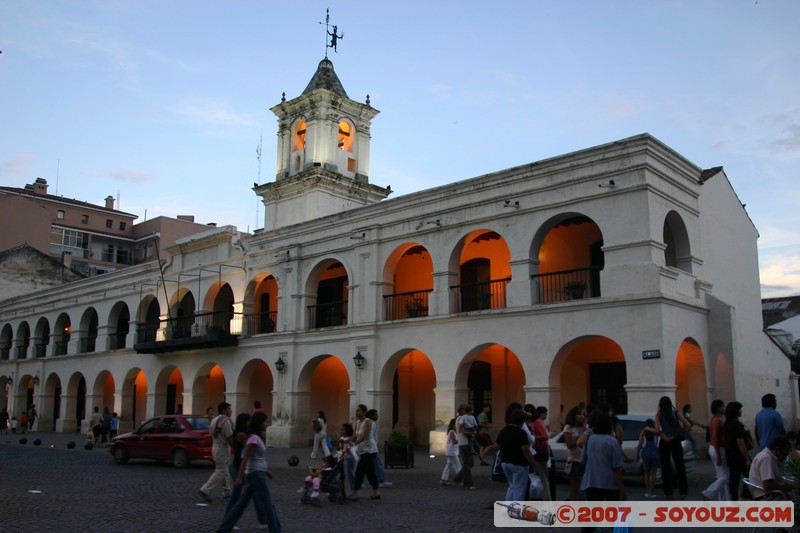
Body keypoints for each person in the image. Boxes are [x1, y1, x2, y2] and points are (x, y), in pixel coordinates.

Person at [216, 411, 281, 533]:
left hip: (256, 473)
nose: (267, 424)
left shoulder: (255, 437)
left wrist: (266, 471)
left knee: (241, 504)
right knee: (269, 504)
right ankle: (276, 530)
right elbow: (245, 458)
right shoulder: (253, 438)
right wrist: (240, 477)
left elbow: (257, 458)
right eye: (265, 421)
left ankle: (224, 529)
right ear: (260, 423)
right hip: (256, 474)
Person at [579, 411, 626, 532]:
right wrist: (622, 489)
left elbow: (582, 460)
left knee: (591, 518)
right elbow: (617, 468)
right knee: (614, 517)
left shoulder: (589, 440)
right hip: (610, 483)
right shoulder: (612, 442)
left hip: (592, 482)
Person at [496, 408, 538, 501]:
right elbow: (526, 451)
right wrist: (534, 465)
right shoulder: (521, 432)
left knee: (511, 487)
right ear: (522, 421)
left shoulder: (504, 430)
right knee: (519, 489)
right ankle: (517, 510)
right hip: (519, 464)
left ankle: (508, 508)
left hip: (506, 462)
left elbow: (498, 445)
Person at [654, 396, 690, 498]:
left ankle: (668, 492)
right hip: (676, 440)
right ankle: (683, 491)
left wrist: (663, 436)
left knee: (665, 467)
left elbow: (657, 430)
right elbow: (688, 425)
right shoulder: (675, 413)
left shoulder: (659, 415)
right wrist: (681, 434)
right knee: (680, 465)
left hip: (665, 441)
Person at [199, 402, 234, 502]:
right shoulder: (226, 422)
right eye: (229, 409)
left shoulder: (214, 420)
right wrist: (234, 448)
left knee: (224, 470)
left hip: (215, 446)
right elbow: (229, 438)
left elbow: (210, 436)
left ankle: (227, 492)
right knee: (220, 471)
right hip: (222, 447)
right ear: (223, 410)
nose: (230, 411)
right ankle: (205, 489)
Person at [348, 404, 380, 500]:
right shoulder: (357, 423)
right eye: (356, 411)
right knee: (370, 471)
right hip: (363, 450)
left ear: (364, 412)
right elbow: (354, 436)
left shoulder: (368, 422)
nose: (356, 412)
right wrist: (346, 440)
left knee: (360, 471)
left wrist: (355, 443)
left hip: (370, 450)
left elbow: (364, 435)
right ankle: (376, 491)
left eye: (358, 411)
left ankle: (355, 492)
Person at [223, 412, 252, 520]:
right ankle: (228, 519)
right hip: (239, 468)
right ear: (244, 422)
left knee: (239, 496)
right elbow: (247, 449)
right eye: (249, 420)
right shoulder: (241, 435)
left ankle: (228, 519)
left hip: (238, 467)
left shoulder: (239, 433)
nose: (250, 422)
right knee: (237, 497)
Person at [701, 399, 730, 501]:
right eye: (723, 406)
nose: (724, 408)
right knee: (724, 477)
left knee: (721, 475)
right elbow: (714, 437)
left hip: (714, 448)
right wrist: (718, 455)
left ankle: (723, 500)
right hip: (718, 448)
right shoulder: (718, 420)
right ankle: (708, 492)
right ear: (718, 408)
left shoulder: (715, 419)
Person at [724, 401, 751, 501]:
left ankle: (734, 498)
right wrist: (747, 458)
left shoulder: (727, 424)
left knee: (734, 477)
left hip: (730, 453)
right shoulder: (737, 425)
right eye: (740, 409)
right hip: (739, 455)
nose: (741, 411)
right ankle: (744, 495)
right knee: (750, 474)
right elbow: (740, 442)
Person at [562, 405, 587, 500]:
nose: (582, 417)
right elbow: (569, 444)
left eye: (583, 415)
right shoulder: (569, 428)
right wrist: (579, 439)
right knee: (574, 487)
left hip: (584, 458)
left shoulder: (584, 428)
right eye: (580, 414)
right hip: (575, 460)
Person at [531, 406, 553, 501]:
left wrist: (533, 438)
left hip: (539, 451)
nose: (546, 415)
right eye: (545, 413)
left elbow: (544, 436)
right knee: (543, 477)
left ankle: (545, 497)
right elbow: (545, 436)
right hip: (541, 451)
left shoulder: (537, 422)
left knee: (542, 477)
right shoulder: (539, 422)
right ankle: (546, 498)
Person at [455, 404, 478, 490]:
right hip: (464, 443)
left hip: (464, 443)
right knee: (468, 464)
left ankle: (460, 478)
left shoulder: (461, 418)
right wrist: (473, 433)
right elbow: (463, 431)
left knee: (469, 463)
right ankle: (468, 482)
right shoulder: (462, 419)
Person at [366, 409, 391, 487]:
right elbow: (371, 436)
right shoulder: (372, 423)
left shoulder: (370, 422)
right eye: (376, 415)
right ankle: (381, 480)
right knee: (378, 464)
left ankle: (378, 480)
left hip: (370, 447)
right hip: (371, 447)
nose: (377, 416)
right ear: (372, 415)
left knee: (369, 465)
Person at [636, 418, 660, 499]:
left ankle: (647, 491)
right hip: (655, 452)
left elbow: (640, 443)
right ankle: (652, 491)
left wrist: (637, 454)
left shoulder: (643, 432)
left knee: (646, 473)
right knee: (653, 474)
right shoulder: (656, 432)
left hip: (646, 452)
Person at [440, 418, 461, 486]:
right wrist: (461, 439)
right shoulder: (452, 432)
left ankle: (444, 479)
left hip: (451, 451)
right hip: (452, 452)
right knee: (458, 465)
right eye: (456, 424)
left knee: (448, 465)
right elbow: (454, 441)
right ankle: (460, 479)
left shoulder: (454, 432)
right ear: (452, 425)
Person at [338, 423, 357, 496]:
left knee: (350, 474)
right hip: (344, 459)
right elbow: (341, 449)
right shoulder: (342, 439)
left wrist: (344, 446)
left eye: (342, 430)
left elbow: (351, 448)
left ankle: (353, 490)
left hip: (350, 458)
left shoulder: (349, 439)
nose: (341, 431)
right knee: (345, 474)